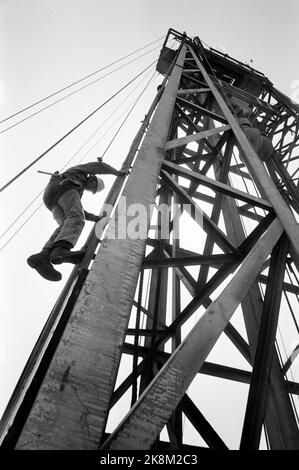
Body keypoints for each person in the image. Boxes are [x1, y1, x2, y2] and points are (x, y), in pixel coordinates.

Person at [27, 157, 129, 281]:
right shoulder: (81, 172)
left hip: (51, 198)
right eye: (92, 188)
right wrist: (117, 172)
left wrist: (96, 218)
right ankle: (60, 250)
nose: (89, 189)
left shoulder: (76, 188)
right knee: (76, 218)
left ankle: (43, 256)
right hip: (62, 187)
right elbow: (98, 166)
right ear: (93, 180)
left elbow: (79, 211)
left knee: (65, 225)